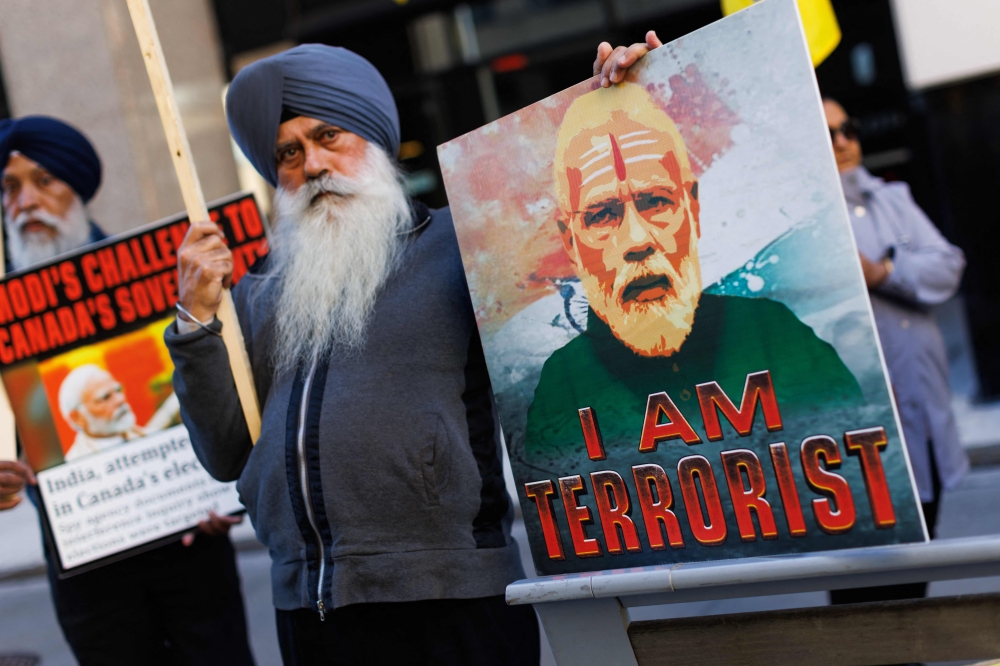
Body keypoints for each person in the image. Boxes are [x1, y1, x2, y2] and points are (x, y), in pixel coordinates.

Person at [165, 34, 663, 665]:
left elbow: (587, 248)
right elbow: (224, 451)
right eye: (288, 152)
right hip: (310, 609)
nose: (312, 164)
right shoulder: (255, 292)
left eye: (328, 137)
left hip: (451, 598)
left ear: (372, 140)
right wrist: (196, 318)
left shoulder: (462, 245)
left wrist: (608, 101)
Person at [0, 115, 255, 665]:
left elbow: (210, 386)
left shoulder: (150, 283)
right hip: (86, 565)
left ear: (77, 186)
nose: (26, 201)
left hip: (190, 544)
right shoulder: (2, 319)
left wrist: (223, 492)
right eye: (11, 187)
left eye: (44, 181)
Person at [523, 82, 863, 465]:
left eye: (655, 202)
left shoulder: (775, 334)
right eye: (602, 214)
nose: (637, 240)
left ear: (693, 210)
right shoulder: (562, 387)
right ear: (571, 243)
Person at [824, 98, 968, 603]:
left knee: (919, 571)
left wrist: (886, 272)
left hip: (923, 414)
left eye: (849, 128)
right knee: (863, 592)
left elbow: (948, 264)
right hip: (861, 436)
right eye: (828, 133)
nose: (843, 141)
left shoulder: (893, 197)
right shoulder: (813, 213)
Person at [60, 363, 180, 460]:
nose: (120, 399)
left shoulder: (154, 438)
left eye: (118, 390)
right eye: (106, 397)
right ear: (77, 418)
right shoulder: (73, 465)